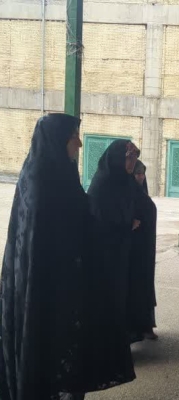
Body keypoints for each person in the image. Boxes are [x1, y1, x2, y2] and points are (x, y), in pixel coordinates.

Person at [0, 114, 91, 400]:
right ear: (58, 139)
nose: (79, 143)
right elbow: (40, 241)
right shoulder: (40, 179)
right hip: (44, 286)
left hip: (64, 283)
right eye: (74, 136)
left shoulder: (62, 173)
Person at [85, 139, 139, 389]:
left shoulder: (124, 181)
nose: (132, 162)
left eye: (135, 158)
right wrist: (126, 225)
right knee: (105, 303)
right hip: (103, 256)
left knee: (118, 302)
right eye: (129, 158)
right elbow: (98, 220)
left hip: (120, 254)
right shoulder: (102, 182)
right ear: (118, 158)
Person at [128, 160, 158, 342]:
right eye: (137, 173)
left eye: (142, 173)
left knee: (145, 285)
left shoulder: (142, 194)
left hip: (145, 249)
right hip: (132, 250)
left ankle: (146, 326)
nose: (140, 177)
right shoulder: (127, 193)